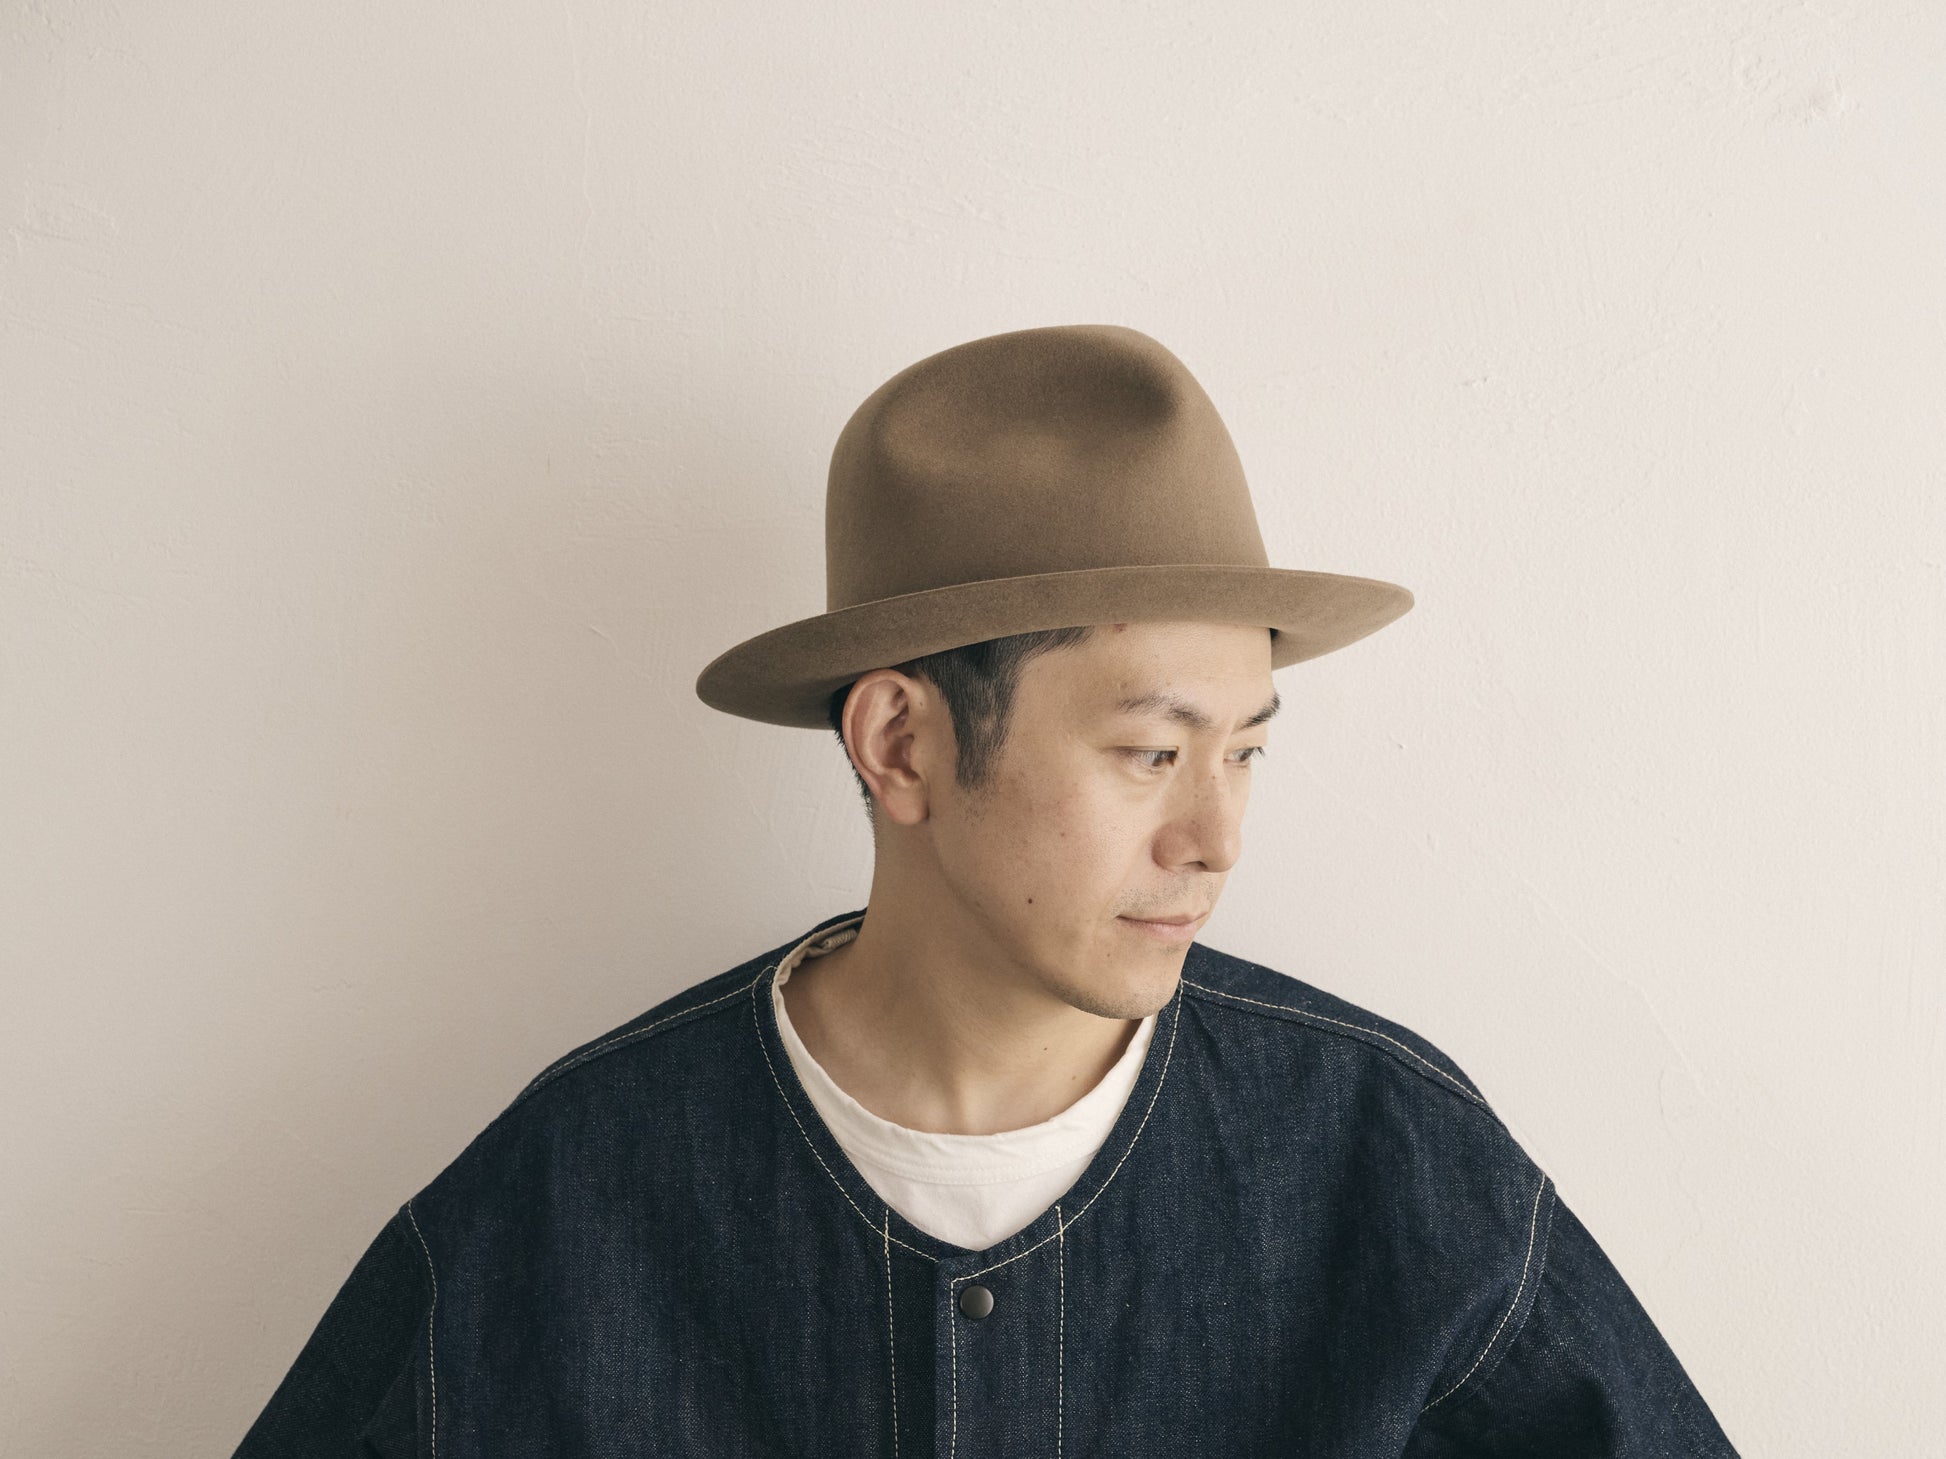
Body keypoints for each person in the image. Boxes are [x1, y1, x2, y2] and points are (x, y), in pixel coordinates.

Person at [232, 324, 1741, 1455]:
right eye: (1150, 753)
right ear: (901, 742)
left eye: (1246, 752)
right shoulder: (575, 1189)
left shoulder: (1384, 1155)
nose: (1215, 838)